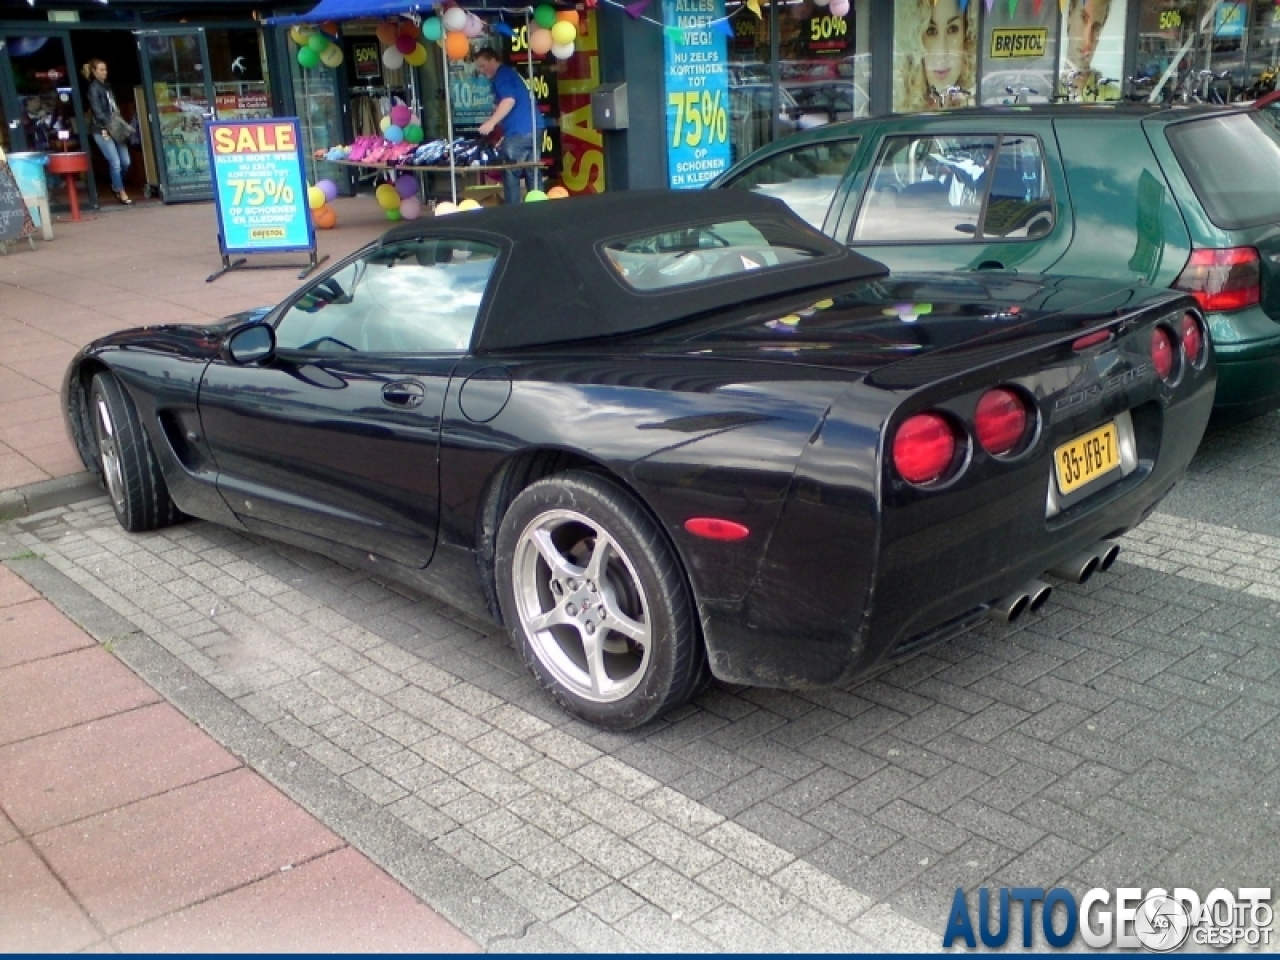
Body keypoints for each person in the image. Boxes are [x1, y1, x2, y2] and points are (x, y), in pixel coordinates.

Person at [473, 48, 543, 204]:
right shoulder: (510, 74)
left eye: (483, 66)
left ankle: (512, 212)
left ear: (493, 61)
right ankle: (539, 209)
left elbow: (509, 100)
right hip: (534, 127)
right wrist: (505, 135)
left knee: (511, 172)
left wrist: (491, 123)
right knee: (533, 171)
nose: (481, 71)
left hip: (520, 130)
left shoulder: (501, 76)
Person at [893, 0, 977, 112]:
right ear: (916, 39)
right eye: (931, 31)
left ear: (966, 36)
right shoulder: (897, 111)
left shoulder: (978, 112)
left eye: (952, 29)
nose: (942, 51)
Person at [82, 58, 133, 205]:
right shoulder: (93, 89)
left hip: (115, 127)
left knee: (126, 162)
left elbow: (113, 107)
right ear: (94, 71)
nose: (105, 72)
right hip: (102, 129)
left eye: (105, 69)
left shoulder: (107, 86)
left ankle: (116, 185)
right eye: (101, 70)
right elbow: (98, 111)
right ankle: (121, 191)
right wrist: (107, 127)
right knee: (115, 162)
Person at [1061, 0, 1115, 99]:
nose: (1087, 40)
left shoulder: (1114, 99)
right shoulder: (1045, 90)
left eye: (1096, 27)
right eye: (1083, 19)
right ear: (1069, 16)